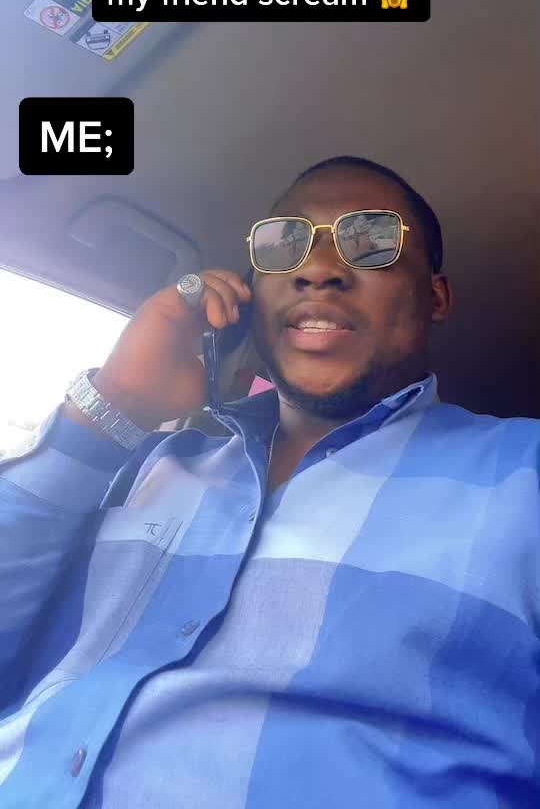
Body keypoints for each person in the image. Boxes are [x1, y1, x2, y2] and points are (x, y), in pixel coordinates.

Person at [1, 155, 539, 809]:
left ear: (436, 297)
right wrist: (110, 410)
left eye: (371, 240)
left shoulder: (524, 475)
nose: (317, 269)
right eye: (286, 243)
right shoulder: (149, 464)